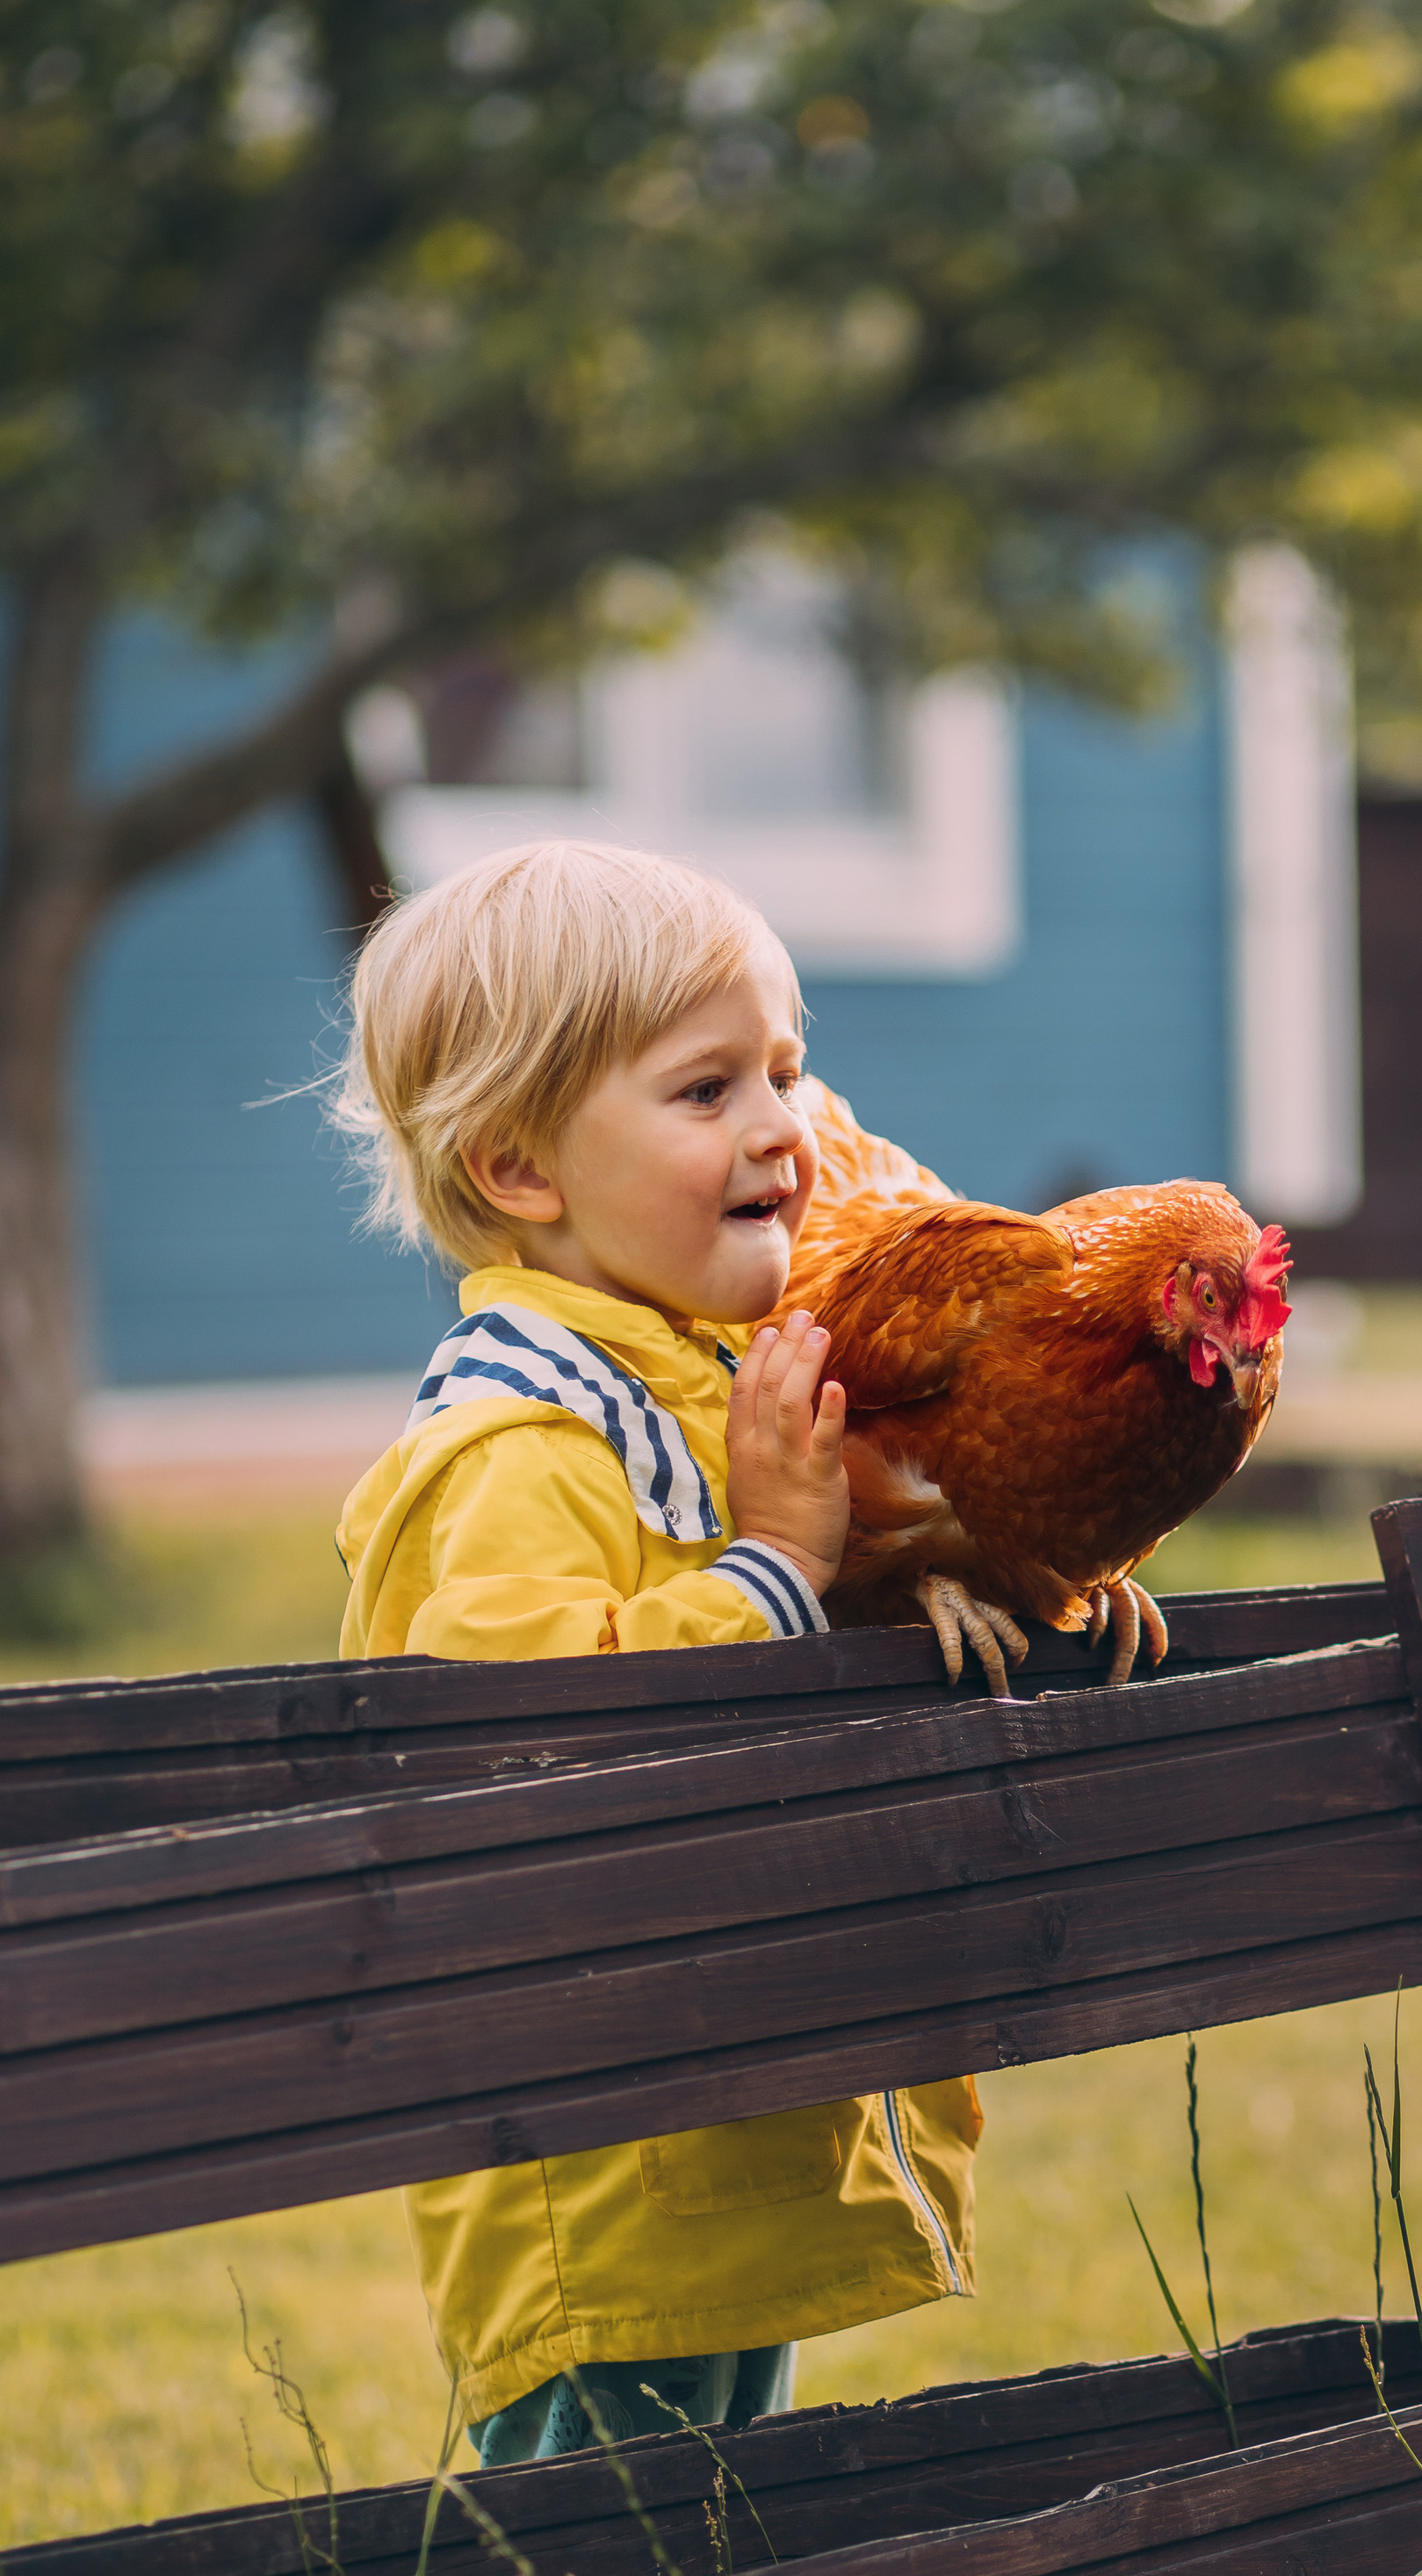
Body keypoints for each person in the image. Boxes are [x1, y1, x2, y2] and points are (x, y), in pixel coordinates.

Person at [329, 838, 979, 2464]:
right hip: (601, 2186)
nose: (784, 1126)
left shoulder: (707, 1391)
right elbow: (543, 1740)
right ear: (520, 1170)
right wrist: (769, 1563)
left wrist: (976, 1581)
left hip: (715, 2128)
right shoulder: (522, 1444)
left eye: (786, 1066)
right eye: (706, 1093)